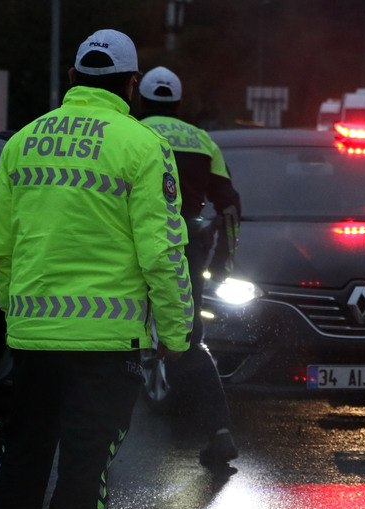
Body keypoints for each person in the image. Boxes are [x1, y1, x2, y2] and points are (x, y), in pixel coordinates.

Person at [0, 29, 193, 509]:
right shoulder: (145, 147)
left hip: (32, 342)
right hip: (105, 349)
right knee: (84, 470)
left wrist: (20, 313)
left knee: (22, 463)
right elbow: (161, 252)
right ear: (132, 85)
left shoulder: (23, 143)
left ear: (73, 77)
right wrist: (177, 333)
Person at [137, 66, 240, 469]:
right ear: (179, 104)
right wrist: (221, 260)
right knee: (188, 340)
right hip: (183, 252)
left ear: (141, 100)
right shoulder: (202, 141)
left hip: (128, 250)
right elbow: (229, 205)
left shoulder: (131, 132)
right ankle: (219, 432)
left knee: (108, 336)